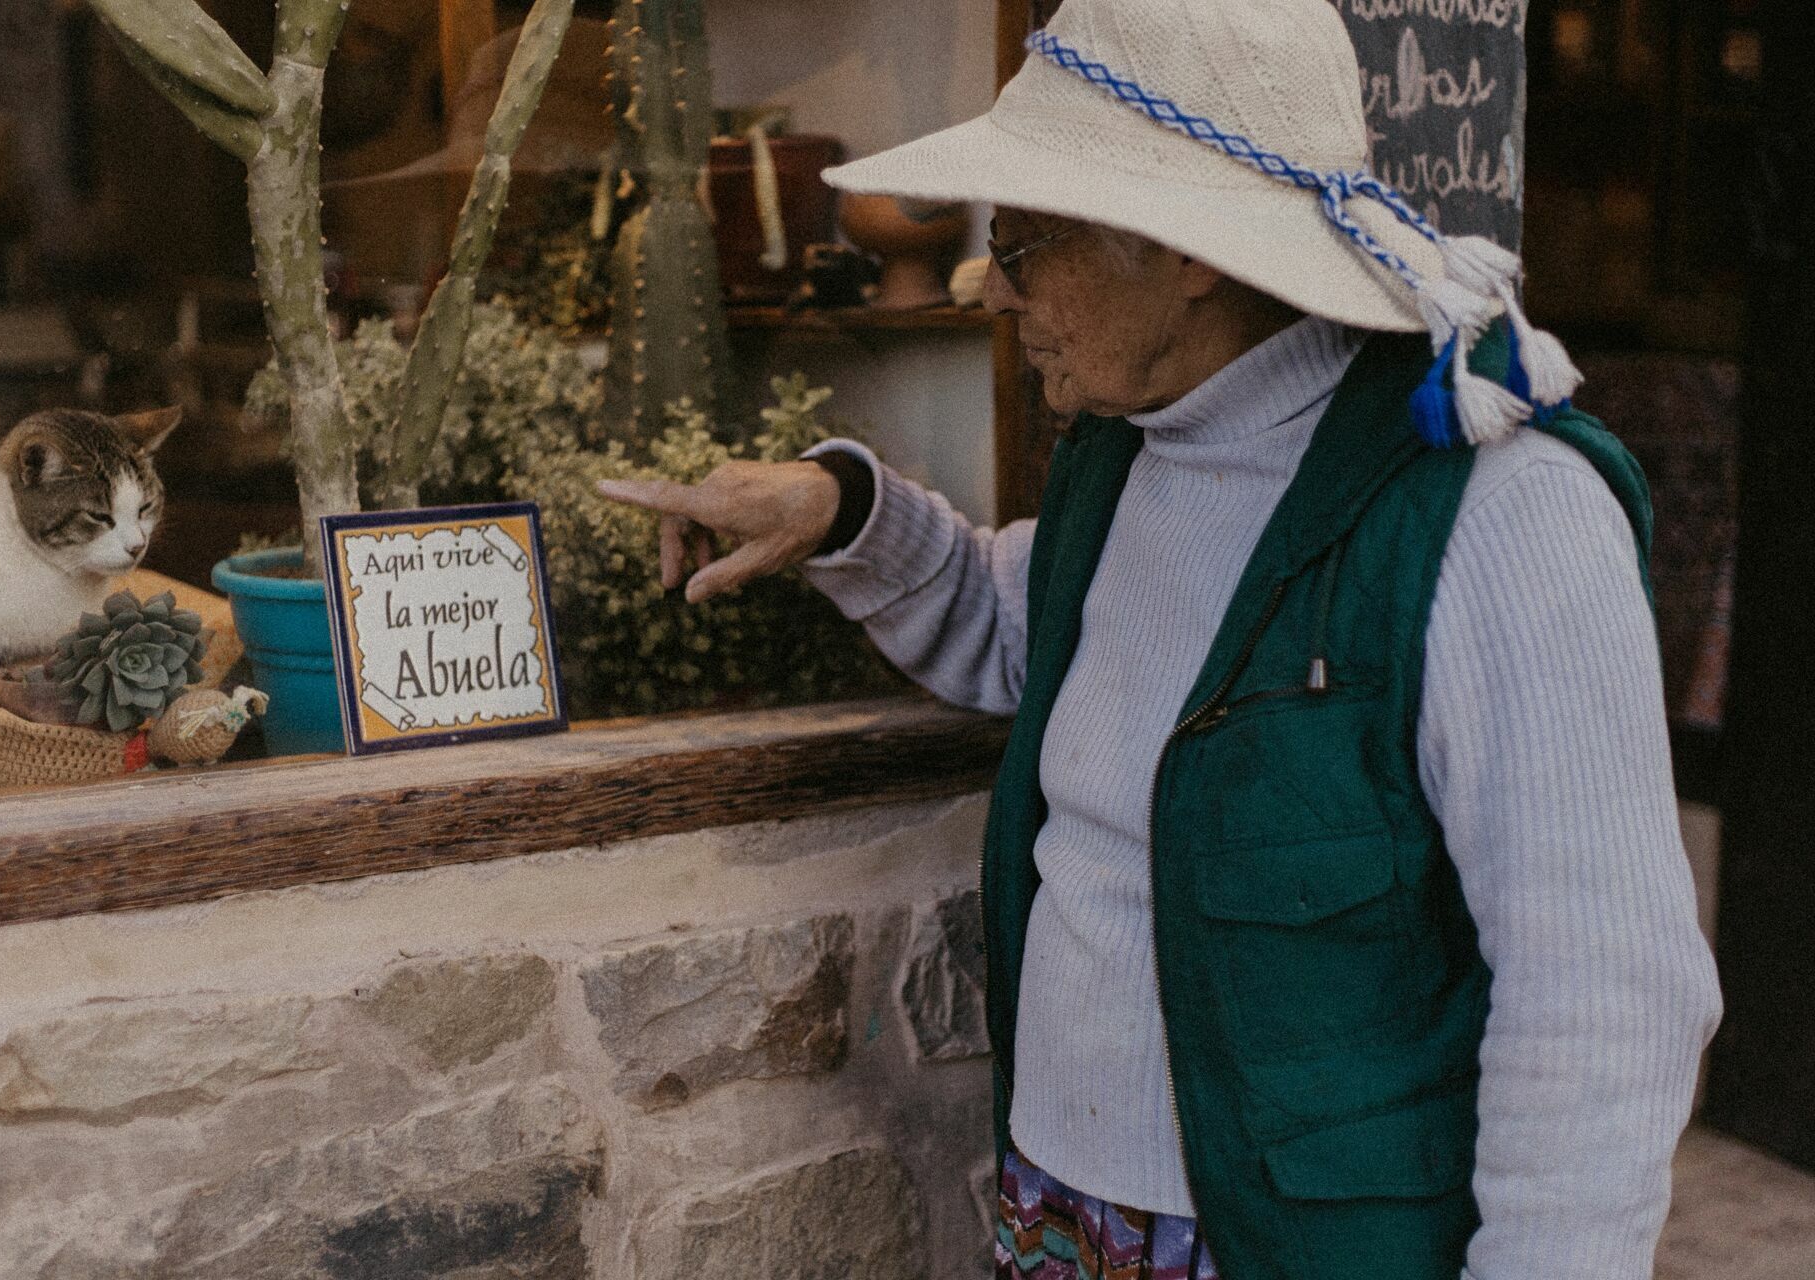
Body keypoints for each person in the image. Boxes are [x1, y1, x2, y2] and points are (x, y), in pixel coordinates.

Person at [598, 1, 1722, 1276]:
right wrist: (839, 508)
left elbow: (1603, 1001)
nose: (993, 283)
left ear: (1185, 250)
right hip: (1065, 1218)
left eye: (1027, 240)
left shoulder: (1499, 513)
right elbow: (1014, 624)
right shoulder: (1124, 454)